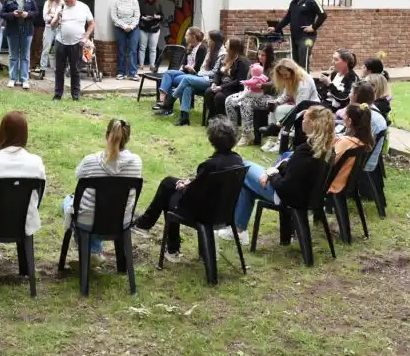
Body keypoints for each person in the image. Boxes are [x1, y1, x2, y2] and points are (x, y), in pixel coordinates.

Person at [221, 104, 334, 246]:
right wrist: (275, 170)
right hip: (307, 198)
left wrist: (272, 174)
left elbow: (285, 187)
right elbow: (295, 170)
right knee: (247, 183)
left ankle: (236, 228)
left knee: (244, 166)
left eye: (304, 118)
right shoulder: (325, 149)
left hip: (287, 198)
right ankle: (238, 229)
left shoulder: (304, 151)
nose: (302, 121)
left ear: (312, 123)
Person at [131, 118, 244, 260]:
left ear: (212, 140)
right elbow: (205, 185)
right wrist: (188, 183)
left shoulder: (210, 165)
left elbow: (192, 195)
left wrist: (183, 188)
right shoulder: (237, 160)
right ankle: (144, 224)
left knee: (169, 194)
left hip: (204, 214)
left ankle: (171, 248)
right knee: (168, 182)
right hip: (224, 211)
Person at [0, 111, 46, 269]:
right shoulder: (36, 163)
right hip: (24, 221)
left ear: (2, 131)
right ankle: (25, 269)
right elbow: (39, 196)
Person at [62, 118, 142, 259]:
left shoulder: (90, 160)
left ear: (107, 135)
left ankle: (91, 249)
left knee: (69, 200)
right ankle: (95, 250)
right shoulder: (136, 162)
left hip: (88, 222)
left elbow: (77, 174)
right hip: (121, 220)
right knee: (107, 203)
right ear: (128, 138)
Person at [157, 31, 226, 125]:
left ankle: (168, 103)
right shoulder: (210, 51)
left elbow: (215, 73)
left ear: (214, 41)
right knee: (187, 87)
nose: (207, 40)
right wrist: (202, 73)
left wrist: (202, 73)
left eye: (209, 39)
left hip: (211, 81)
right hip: (202, 77)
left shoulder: (222, 54)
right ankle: (184, 118)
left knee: (186, 79)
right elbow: (202, 68)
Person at [224, 44, 277, 145]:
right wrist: (247, 89)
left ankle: (247, 134)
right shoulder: (255, 66)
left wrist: (262, 85)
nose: (260, 57)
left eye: (263, 55)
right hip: (251, 93)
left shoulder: (274, 68)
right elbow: (248, 81)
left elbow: (275, 84)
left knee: (245, 102)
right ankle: (233, 132)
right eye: (259, 54)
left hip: (268, 97)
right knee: (229, 100)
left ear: (269, 55)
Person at [51, 0, 94, 102]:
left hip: (77, 43)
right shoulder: (61, 7)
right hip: (61, 41)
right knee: (59, 69)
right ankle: (57, 94)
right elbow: (52, 25)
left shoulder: (83, 7)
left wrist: (86, 37)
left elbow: (91, 24)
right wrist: (57, 17)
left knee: (75, 69)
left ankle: (75, 95)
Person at [273, 0, 327, 72]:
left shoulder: (311, 1)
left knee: (303, 62)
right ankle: (298, 85)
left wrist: (313, 27)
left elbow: (323, 15)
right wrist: (276, 28)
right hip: (295, 37)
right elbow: (287, 18)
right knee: (295, 65)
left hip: (307, 38)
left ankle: (306, 84)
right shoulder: (294, 2)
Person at [328, 103, 376, 195]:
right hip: (347, 182)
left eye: (344, 115)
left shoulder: (346, 142)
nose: (343, 117)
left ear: (349, 121)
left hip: (333, 183)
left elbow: (329, 162)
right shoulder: (366, 141)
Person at [152, 28, 205, 108]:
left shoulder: (202, 48)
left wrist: (190, 69)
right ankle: (163, 99)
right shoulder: (189, 47)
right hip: (185, 72)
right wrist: (186, 67)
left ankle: (166, 104)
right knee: (168, 73)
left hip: (194, 75)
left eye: (187, 35)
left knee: (171, 80)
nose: (185, 37)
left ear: (193, 36)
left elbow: (199, 67)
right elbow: (182, 64)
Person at [1, 0, 38, 89]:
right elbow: (2, 14)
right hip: (12, 30)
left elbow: (36, 12)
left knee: (25, 56)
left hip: (27, 30)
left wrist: (28, 14)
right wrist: (13, 14)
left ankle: (24, 79)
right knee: (13, 55)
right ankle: (13, 78)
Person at [202, 38, 250, 121]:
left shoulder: (242, 62)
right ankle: (213, 117)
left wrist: (221, 87)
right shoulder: (225, 57)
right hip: (222, 86)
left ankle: (223, 120)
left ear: (233, 47)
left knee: (219, 96)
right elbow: (217, 73)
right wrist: (215, 82)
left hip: (235, 89)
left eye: (227, 44)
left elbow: (238, 81)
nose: (225, 45)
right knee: (208, 92)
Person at [110, 0, 140, 80]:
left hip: (133, 27)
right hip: (120, 28)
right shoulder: (116, 1)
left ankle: (133, 72)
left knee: (132, 50)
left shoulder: (134, 0)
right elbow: (114, 17)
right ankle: (121, 72)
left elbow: (137, 15)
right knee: (121, 50)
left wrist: (131, 26)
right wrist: (124, 26)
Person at [37, 0, 63, 79]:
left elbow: (64, 15)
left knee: (58, 49)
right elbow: (45, 17)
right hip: (49, 27)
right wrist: (52, 17)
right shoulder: (47, 3)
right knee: (46, 48)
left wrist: (56, 17)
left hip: (59, 27)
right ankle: (42, 68)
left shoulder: (62, 3)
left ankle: (58, 69)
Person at [137, 0, 164, 73]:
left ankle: (152, 65)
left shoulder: (158, 4)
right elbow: (138, 15)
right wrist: (143, 18)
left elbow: (162, 16)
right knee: (142, 47)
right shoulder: (142, 3)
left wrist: (157, 16)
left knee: (153, 48)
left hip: (154, 28)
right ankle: (141, 65)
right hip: (143, 27)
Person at [28, 0, 46, 72]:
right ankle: (31, 65)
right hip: (29, 24)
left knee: (38, 44)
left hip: (41, 24)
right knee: (30, 44)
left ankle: (37, 64)